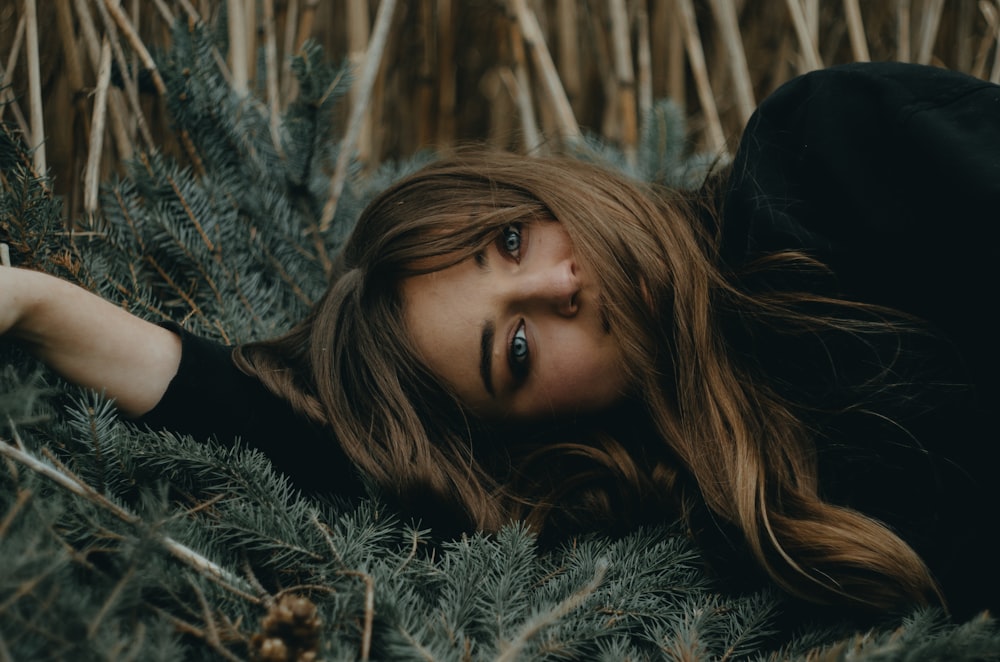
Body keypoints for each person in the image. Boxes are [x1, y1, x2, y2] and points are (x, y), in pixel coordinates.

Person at [2, 61, 998, 619]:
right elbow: (308, 437)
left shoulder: (819, 151)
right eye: (514, 351)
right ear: (526, 433)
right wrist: (45, 304)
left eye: (512, 238)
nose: (565, 283)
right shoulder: (723, 510)